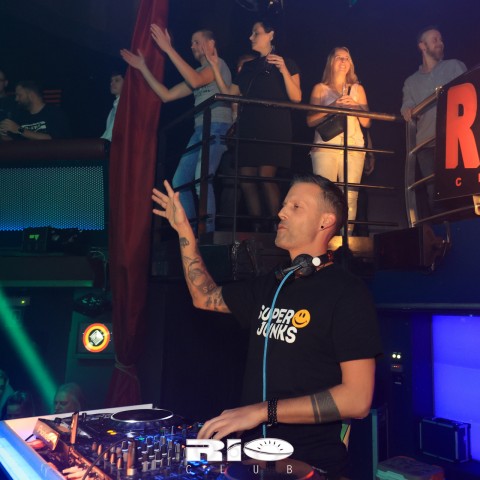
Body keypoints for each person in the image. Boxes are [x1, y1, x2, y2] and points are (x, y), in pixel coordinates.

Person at [152, 173, 382, 478]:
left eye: (296, 207)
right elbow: (204, 297)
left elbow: (357, 399)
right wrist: (184, 231)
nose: (281, 212)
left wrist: (263, 411)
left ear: (325, 222)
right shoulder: (273, 283)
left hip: (307, 464)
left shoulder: (346, 293)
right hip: (253, 459)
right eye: (284, 205)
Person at [121, 26, 232, 233]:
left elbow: (196, 81)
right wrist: (143, 67)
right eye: (191, 43)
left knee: (201, 178)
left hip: (216, 126)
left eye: (197, 42)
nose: (192, 46)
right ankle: (190, 230)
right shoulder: (196, 72)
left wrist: (168, 49)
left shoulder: (218, 64)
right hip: (199, 129)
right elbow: (166, 95)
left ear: (211, 44)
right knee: (179, 181)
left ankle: (206, 233)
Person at [205, 20, 301, 231]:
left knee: (266, 176)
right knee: (246, 179)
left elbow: (296, 97)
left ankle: (278, 227)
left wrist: (283, 70)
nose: (251, 37)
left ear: (270, 34)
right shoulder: (249, 66)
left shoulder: (288, 63)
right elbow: (229, 93)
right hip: (250, 125)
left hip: (274, 126)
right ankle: (258, 228)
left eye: (256, 33)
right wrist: (214, 66)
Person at [401, 26, 466, 213]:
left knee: (460, 189)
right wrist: (407, 110)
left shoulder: (454, 66)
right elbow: (407, 105)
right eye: (435, 39)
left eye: (441, 39)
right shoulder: (411, 81)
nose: (440, 43)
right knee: (435, 196)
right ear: (422, 46)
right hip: (427, 145)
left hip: (456, 140)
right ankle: (442, 231)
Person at [307, 47, 371, 236]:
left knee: (349, 196)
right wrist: (333, 106)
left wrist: (356, 106)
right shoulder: (320, 88)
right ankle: (323, 237)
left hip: (353, 145)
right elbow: (310, 120)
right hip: (325, 146)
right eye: (339, 58)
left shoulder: (358, 89)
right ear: (331, 62)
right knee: (325, 195)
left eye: (347, 58)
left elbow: (367, 122)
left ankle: (345, 239)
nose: (343, 61)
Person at [0, 80, 71, 141]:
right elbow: (14, 142)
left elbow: (53, 139)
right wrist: (2, 135)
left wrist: (19, 130)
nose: (16, 99)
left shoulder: (54, 113)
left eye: (19, 95)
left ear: (31, 96)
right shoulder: (20, 116)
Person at [101, 71, 124, 141]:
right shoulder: (113, 109)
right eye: (111, 81)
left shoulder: (127, 106)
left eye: (117, 80)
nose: (112, 83)